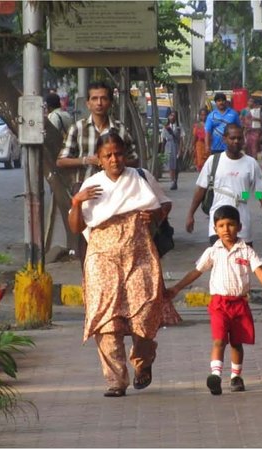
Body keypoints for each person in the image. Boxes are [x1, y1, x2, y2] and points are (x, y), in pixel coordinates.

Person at [68, 133, 179, 398]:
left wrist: (153, 214)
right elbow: (77, 226)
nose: (114, 159)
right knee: (106, 320)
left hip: (138, 253)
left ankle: (143, 362)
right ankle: (116, 381)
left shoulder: (140, 177)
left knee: (145, 312)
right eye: (108, 155)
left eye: (118, 153)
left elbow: (164, 204)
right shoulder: (91, 185)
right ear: (99, 159)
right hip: (101, 257)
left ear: (125, 154)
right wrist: (76, 202)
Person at [166, 205, 262, 395]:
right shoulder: (212, 251)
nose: (226, 229)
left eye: (231, 224)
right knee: (219, 340)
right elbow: (197, 271)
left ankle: (236, 377)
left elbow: (258, 269)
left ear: (239, 227)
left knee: (236, 342)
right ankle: (215, 376)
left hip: (239, 304)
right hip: (219, 304)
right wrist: (177, 287)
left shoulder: (246, 251)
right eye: (221, 225)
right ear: (215, 229)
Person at [57, 81, 139, 266]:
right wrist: (87, 160)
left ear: (110, 102)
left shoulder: (120, 129)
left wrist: (114, 161)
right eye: (94, 98)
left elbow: (135, 159)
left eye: (103, 98)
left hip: (116, 193)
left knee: (118, 247)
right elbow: (61, 160)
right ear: (88, 103)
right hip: (86, 192)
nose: (99, 103)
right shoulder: (77, 129)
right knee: (86, 248)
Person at [186, 123, 262, 246]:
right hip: (218, 221)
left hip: (242, 222)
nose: (236, 141)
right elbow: (201, 189)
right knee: (220, 261)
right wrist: (190, 214)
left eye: (239, 138)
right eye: (232, 138)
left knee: (243, 261)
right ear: (225, 139)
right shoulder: (213, 161)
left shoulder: (251, 163)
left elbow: (260, 192)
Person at [160, 110, 183, 190]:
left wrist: (180, 150)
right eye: (171, 115)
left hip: (176, 146)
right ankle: (172, 181)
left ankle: (175, 180)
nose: (172, 117)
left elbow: (181, 139)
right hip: (168, 146)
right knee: (170, 165)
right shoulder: (166, 127)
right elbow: (163, 139)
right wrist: (162, 151)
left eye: (174, 116)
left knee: (176, 165)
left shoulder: (179, 127)